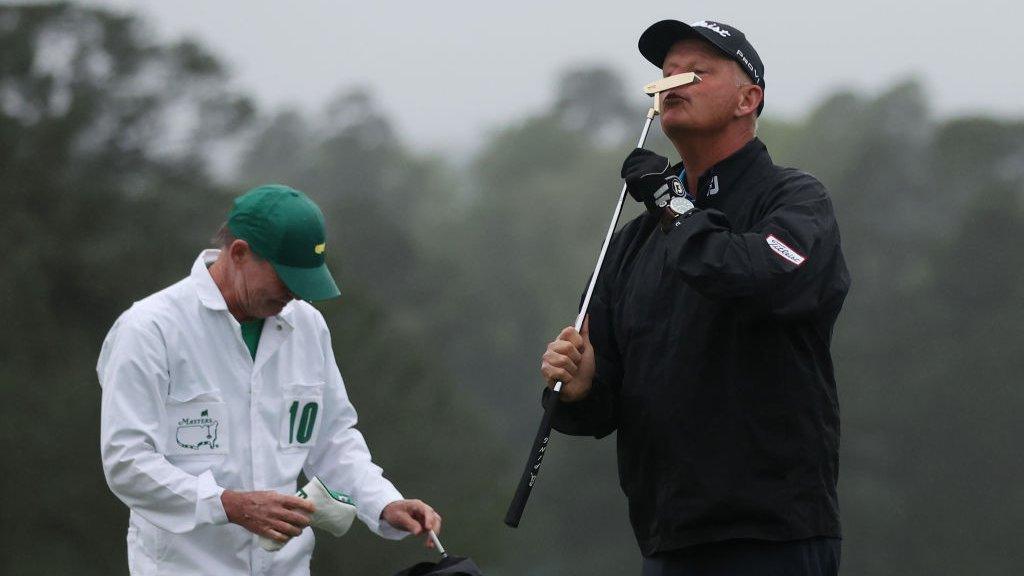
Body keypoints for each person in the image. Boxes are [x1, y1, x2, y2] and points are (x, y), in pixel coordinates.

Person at [539, 19, 850, 576]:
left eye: (695, 72)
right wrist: (580, 389)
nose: (671, 83)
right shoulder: (632, 241)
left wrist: (671, 204)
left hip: (773, 531)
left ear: (747, 99)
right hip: (668, 536)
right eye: (664, 74)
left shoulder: (796, 199)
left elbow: (763, 278)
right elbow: (600, 404)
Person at [99, 184, 442, 575]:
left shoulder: (308, 326)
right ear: (240, 253)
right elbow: (127, 463)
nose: (296, 293)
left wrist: (384, 502)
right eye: (286, 277)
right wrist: (230, 505)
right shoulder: (149, 329)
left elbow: (332, 441)